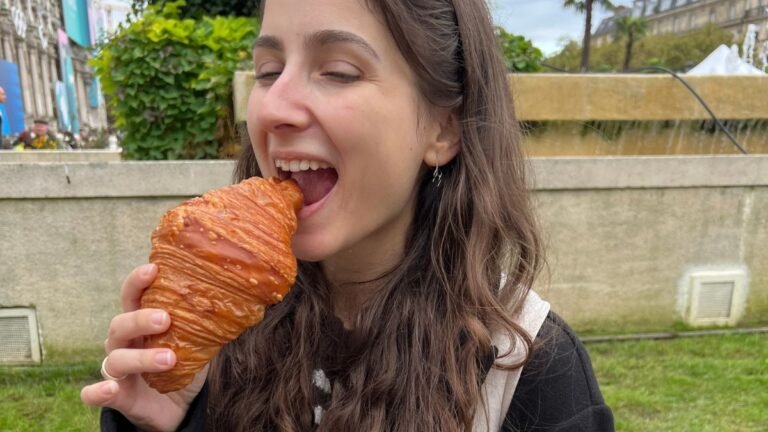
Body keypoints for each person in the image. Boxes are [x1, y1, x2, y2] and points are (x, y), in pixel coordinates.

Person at [81, 0, 615, 430]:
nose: (274, 107)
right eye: (268, 71)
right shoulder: (224, 325)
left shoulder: (528, 370)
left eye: (338, 71)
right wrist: (172, 423)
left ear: (443, 128)